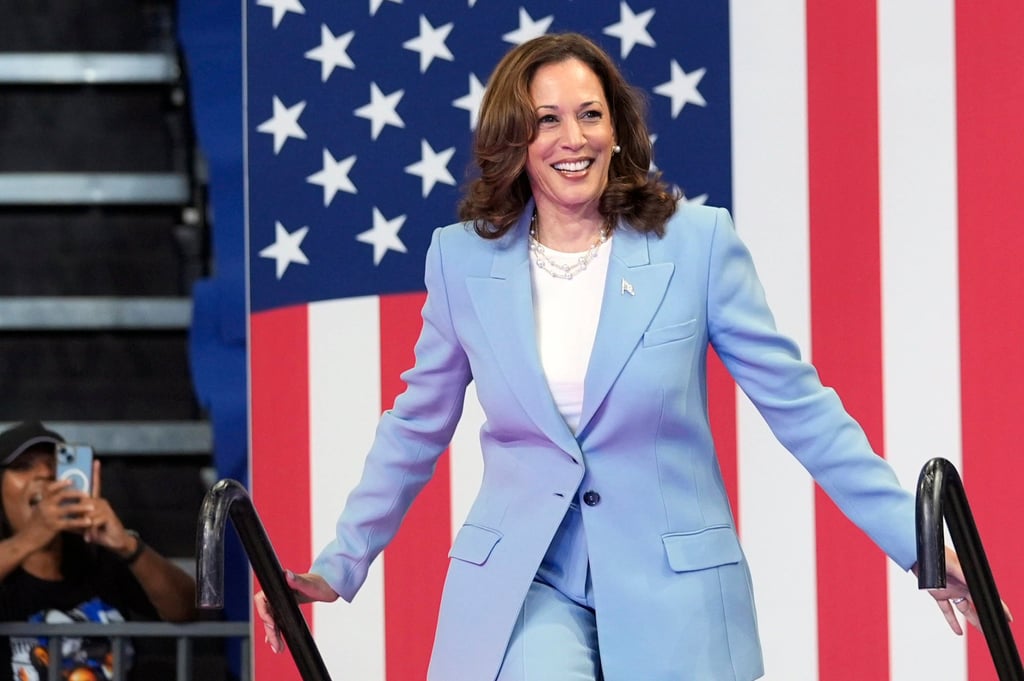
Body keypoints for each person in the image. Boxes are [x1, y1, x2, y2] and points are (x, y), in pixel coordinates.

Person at [256, 33, 1002, 680]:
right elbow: (414, 427)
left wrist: (919, 546)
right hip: (528, 580)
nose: (571, 138)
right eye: (547, 119)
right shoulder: (460, 261)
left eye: (589, 114)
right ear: (516, 139)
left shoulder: (697, 242)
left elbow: (802, 409)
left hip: (670, 586)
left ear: (618, 130)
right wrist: (338, 562)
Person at [0, 421, 197, 680]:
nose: (45, 473)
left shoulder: (101, 562)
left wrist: (127, 546)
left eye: (55, 463)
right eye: (23, 466)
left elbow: (186, 609)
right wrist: (31, 537)